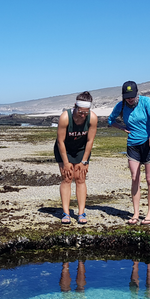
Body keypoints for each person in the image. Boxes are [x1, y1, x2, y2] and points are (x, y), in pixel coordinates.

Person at [107, 81, 150, 225]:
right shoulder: (121, 106)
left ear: (137, 93)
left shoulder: (146, 101)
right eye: (127, 96)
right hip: (132, 145)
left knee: (149, 178)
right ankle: (135, 214)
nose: (130, 99)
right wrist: (121, 128)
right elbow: (110, 120)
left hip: (149, 144)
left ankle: (149, 214)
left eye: (132, 96)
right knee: (135, 177)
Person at [54, 91, 98, 224]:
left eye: (86, 112)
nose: (83, 115)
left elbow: (90, 141)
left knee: (80, 178)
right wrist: (66, 163)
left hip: (81, 149)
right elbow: (60, 141)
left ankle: (81, 213)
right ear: (75, 106)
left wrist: (84, 161)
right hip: (64, 149)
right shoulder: (65, 117)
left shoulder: (93, 118)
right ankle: (66, 213)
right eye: (80, 112)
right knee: (67, 178)